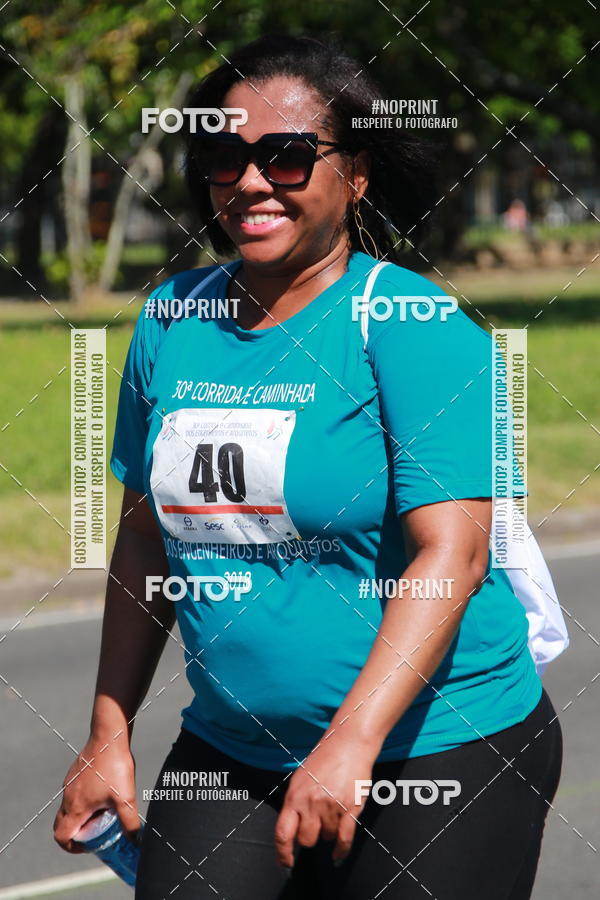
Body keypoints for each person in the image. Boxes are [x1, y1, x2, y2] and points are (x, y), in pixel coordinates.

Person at [54, 33, 562, 899]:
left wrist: (352, 742)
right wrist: (109, 730)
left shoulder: (406, 319)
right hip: (233, 748)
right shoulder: (173, 316)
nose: (251, 181)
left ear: (354, 175)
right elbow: (145, 538)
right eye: (224, 154)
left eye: (288, 157)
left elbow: (455, 554)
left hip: (438, 747)